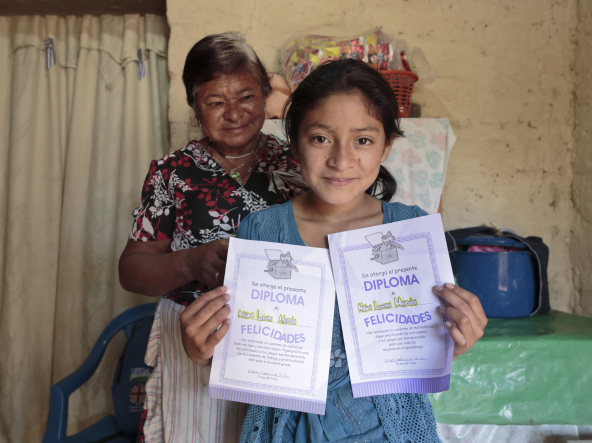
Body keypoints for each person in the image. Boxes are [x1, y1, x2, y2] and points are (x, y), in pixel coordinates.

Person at [180, 59, 488, 442]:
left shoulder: (410, 231)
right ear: (295, 142)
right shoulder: (262, 231)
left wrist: (459, 339)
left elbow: (426, 346)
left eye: (363, 140)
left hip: (389, 432)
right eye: (321, 138)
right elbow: (246, 349)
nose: (341, 160)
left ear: (386, 146)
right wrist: (203, 351)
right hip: (282, 431)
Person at [118, 32, 306, 442]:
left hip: (280, 337)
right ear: (195, 106)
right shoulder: (173, 173)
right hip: (193, 336)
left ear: (265, 94)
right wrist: (190, 261)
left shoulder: (296, 165)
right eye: (216, 102)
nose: (234, 113)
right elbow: (131, 269)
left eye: (246, 96)